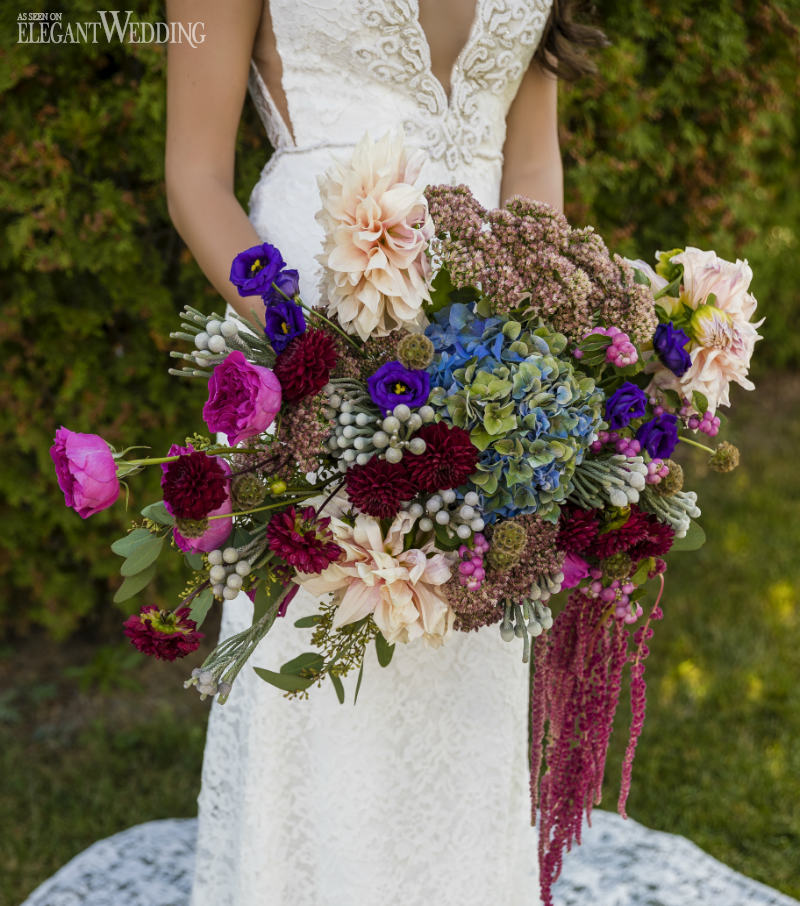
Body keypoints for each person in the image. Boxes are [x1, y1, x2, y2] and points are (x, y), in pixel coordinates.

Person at [164, 2, 604, 904]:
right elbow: (195, 176)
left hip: (486, 357)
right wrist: (312, 348)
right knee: (321, 691)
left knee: (466, 667)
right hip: (320, 336)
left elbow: (527, 159)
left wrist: (535, 349)